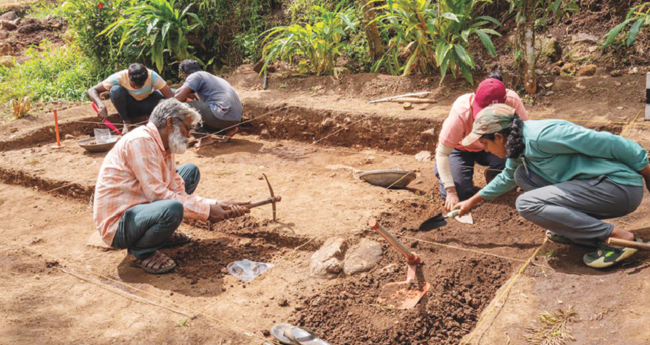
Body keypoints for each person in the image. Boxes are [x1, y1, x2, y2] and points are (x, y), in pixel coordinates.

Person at [453, 104, 650, 268]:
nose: (485, 150)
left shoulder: (543, 136)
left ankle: (617, 238)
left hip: (617, 186)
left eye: (485, 144)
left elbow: (608, 142)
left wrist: (646, 171)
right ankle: (576, 230)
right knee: (523, 175)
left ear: (498, 137)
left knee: (526, 204)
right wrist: (471, 202)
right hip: (594, 186)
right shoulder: (517, 144)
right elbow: (508, 176)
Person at [93, 99, 250, 274]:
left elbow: (177, 188)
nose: (188, 136)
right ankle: (140, 253)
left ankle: (159, 235)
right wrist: (206, 212)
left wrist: (214, 203)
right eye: (186, 129)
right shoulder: (140, 142)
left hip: (140, 207)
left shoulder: (164, 145)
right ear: (170, 122)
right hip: (119, 224)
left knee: (189, 172)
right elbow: (158, 195)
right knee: (172, 208)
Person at [435, 72, 529, 212]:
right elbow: (443, 153)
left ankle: (493, 174)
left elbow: (524, 138)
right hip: (462, 148)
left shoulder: (512, 101)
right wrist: (450, 190)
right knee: (460, 194)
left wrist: (523, 175)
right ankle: (453, 173)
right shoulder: (461, 110)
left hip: (495, 147)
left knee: (508, 184)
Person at [88, 63, 175, 134]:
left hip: (147, 105)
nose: (137, 87)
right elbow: (92, 90)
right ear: (128, 76)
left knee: (162, 98)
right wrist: (101, 105)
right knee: (115, 91)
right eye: (134, 85)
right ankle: (127, 122)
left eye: (141, 85)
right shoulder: (119, 77)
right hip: (130, 106)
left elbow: (171, 96)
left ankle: (150, 119)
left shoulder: (152, 76)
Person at [175, 59, 243, 146]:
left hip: (222, 113)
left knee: (182, 107)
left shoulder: (195, 76)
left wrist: (185, 93)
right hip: (235, 119)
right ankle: (229, 130)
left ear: (185, 73)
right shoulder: (210, 77)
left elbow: (178, 98)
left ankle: (204, 138)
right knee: (198, 110)